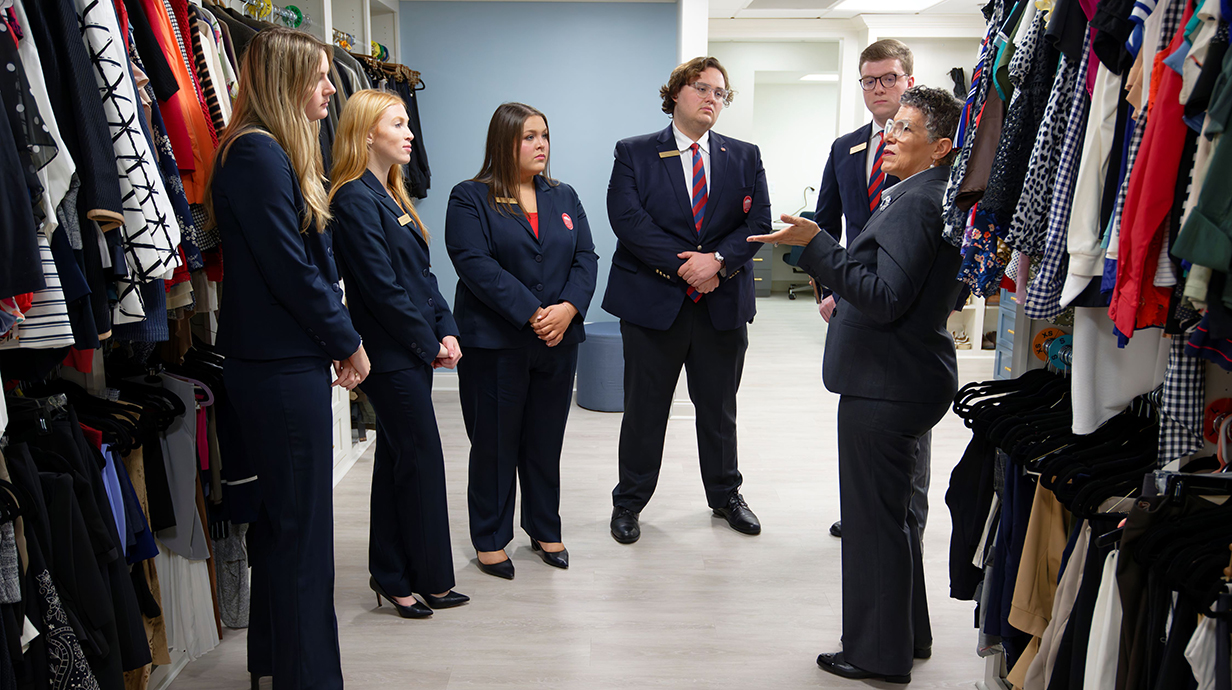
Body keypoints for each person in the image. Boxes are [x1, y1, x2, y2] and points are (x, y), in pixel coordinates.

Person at [750, 86, 963, 684]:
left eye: (906, 129)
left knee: (874, 524)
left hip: (887, 381)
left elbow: (886, 297)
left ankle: (876, 655)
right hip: (900, 374)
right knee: (891, 520)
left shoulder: (922, 201)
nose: (889, 134)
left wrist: (816, 245)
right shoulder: (923, 194)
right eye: (891, 125)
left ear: (940, 147)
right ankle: (907, 638)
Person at [206, 28, 368, 690]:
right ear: (285, 82)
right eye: (320, 77)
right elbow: (293, 272)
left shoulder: (262, 152)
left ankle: (274, 664)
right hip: (277, 368)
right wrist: (347, 341)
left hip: (272, 362)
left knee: (281, 528)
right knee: (301, 537)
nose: (331, 89)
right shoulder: (258, 155)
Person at [604, 56, 770, 544]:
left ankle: (725, 496)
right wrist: (686, 267)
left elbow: (758, 224)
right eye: (702, 87)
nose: (711, 98)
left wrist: (717, 262)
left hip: (722, 304)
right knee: (644, 409)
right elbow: (628, 220)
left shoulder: (745, 155)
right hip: (654, 303)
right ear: (675, 93)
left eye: (720, 92)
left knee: (718, 409)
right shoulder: (633, 152)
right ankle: (629, 501)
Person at [328, 89, 469, 619]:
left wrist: (446, 327)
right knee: (422, 461)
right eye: (398, 123)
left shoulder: (390, 194)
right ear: (366, 132)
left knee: (396, 462)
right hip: (388, 357)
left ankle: (391, 574)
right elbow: (382, 289)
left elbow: (422, 278)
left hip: (410, 349)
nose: (411, 133)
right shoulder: (352, 199)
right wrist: (427, 340)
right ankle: (427, 579)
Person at [445, 103, 598, 579]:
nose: (541, 145)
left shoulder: (564, 195)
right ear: (504, 142)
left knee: (545, 440)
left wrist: (568, 308)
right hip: (496, 343)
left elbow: (586, 257)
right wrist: (533, 312)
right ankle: (490, 537)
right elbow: (473, 263)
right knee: (494, 444)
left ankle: (544, 527)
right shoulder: (470, 197)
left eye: (545, 136)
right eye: (529, 136)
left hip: (558, 341)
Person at [813, 39, 925, 541]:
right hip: (853, 304)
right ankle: (862, 509)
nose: (878, 88)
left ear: (909, 82)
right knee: (859, 409)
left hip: (907, 301)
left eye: (889, 78)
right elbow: (824, 223)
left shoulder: (933, 145)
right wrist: (827, 289)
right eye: (869, 80)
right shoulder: (847, 147)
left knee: (906, 416)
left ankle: (907, 518)